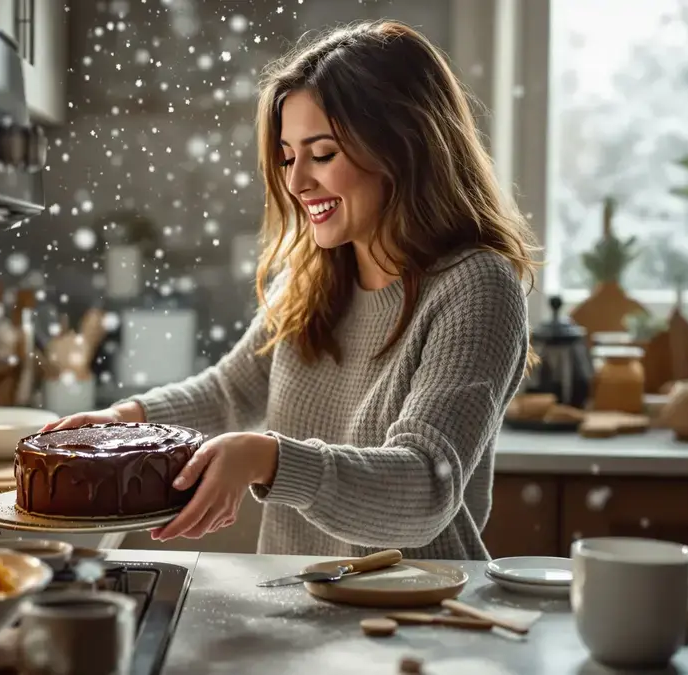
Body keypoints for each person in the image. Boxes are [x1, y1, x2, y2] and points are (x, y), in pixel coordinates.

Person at [42, 20, 538, 560]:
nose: (296, 183)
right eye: (286, 156)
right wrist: (128, 421)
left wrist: (270, 459)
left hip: (418, 620)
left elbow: (424, 488)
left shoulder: (476, 286)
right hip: (302, 608)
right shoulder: (315, 274)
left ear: (403, 146)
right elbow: (230, 394)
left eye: (321, 154)